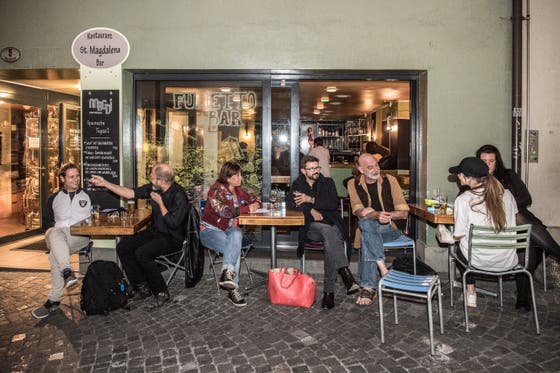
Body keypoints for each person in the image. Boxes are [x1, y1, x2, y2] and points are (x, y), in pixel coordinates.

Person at [90, 163, 189, 307]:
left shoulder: (179, 195)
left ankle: (161, 291)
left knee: (143, 253)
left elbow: (174, 223)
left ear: (161, 180)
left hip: (172, 238)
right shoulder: (154, 188)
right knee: (123, 246)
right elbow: (130, 193)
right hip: (156, 232)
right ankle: (142, 287)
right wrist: (104, 183)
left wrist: (160, 203)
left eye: (153, 178)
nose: (151, 181)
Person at [449, 156, 530, 310]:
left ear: (468, 178)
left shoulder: (463, 199)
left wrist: (444, 234)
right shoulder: (507, 195)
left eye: (459, 173)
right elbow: (512, 221)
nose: (457, 176)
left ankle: (470, 291)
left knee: (459, 247)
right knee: (469, 245)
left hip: (477, 262)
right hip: (508, 261)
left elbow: (458, 235)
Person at [286, 155, 359, 309]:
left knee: (329, 236)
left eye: (317, 168)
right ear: (303, 170)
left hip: (332, 224)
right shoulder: (298, 184)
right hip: (312, 228)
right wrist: (311, 210)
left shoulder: (327, 182)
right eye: (311, 169)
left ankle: (329, 293)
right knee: (328, 233)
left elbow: (332, 203)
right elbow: (292, 205)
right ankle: (345, 275)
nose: (315, 171)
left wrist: (310, 200)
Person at [476, 144, 560, 274]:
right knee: (523, 232)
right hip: (493, 225)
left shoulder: (509, 175)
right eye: (484, 161)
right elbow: (466, 201)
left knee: (524, 235)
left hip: (519, 223)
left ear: (497, 162)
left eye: (491, 161)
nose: (487, 165)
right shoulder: (473, 179)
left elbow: (526, 198)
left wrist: (507, 204)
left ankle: (524, 292)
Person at [32, 163, 94, 319]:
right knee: (55, 233)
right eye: (71, 176)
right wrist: (51, 233)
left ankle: (55, 297)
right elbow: (46, 223)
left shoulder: (88, 195)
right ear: (62, 179)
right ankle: (66, 272)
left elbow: (104, 213)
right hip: (57, 236)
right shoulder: (54, 198)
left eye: (77, 175)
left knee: (54, 255)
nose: (76, 179)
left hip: (79, 237)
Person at [347, 153, 409, 305]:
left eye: (376, 165)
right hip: (369, 229)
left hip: (391, 228)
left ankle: (368, 287)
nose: (375, 169)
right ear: (361, 170)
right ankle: (382, 268)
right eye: (370, 167)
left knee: (366, 229)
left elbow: (403, 212)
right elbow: (359, 211)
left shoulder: (390, 180)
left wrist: (385, 216)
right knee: (367, 227)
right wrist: (376, 215)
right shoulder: (353, 184)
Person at [200, 161, 261, 307]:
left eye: (241, 175)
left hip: (229, 231)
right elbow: (225, 211)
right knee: (234, 246)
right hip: (210, 231)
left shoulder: (239, 190)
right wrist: (247, 209)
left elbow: (255, 199)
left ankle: (227, 273)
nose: (241, 178)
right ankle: (234, 288)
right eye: (237, 175)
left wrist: (255, 204)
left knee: (236, 236)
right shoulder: (215, 190)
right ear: (228, 178)